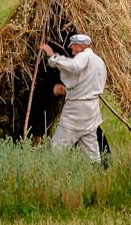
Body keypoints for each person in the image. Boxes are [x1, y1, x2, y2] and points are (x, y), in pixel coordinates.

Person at [39, 33, 107, 162]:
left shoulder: (84, 56)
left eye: (73, 47)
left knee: (58, 145)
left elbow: (73, 67)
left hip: (76, 110)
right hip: (92, 109)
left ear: (80, 46)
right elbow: (85, 82)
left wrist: (52, 57)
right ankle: (97, 173)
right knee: (91, 149)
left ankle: (52, 172)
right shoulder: (99, 61)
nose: (72, 51)